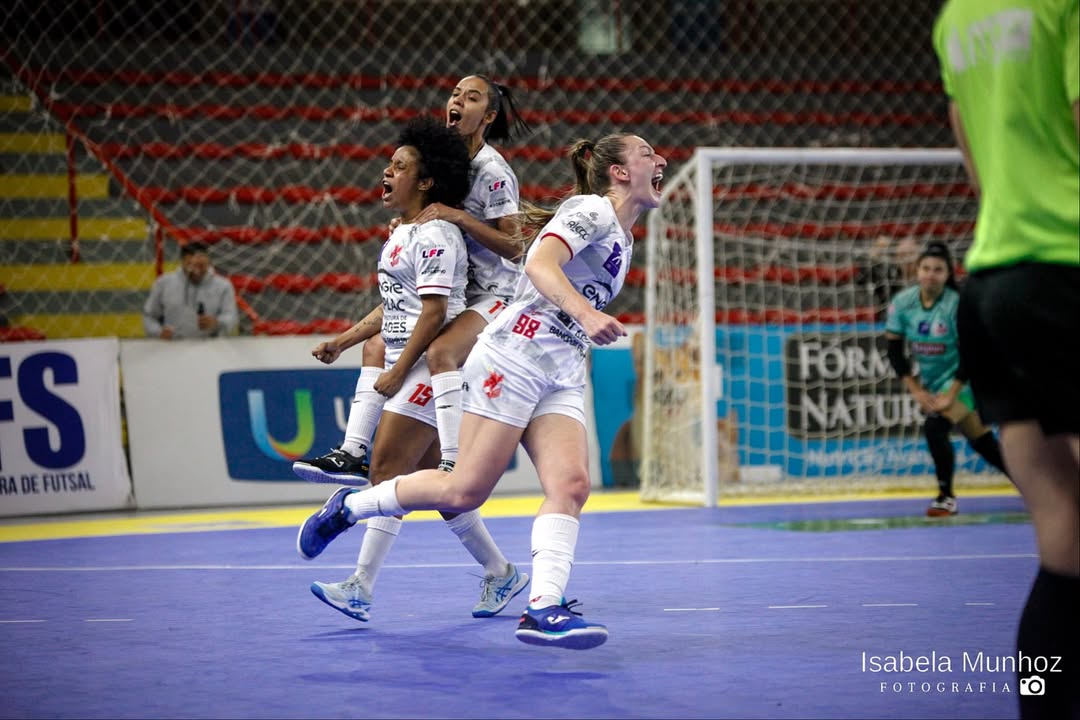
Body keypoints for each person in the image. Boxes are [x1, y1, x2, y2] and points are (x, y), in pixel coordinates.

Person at [297, 132, 668, 650]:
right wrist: (586, 313)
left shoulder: (625, 238)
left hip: (560, 371)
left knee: (572, 486)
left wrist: (579, 324)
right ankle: (350, 508)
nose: (662, 160)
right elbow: (539, 263)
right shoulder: (592, 209)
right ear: (619, 172)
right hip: (514, 357)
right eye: (648, 153)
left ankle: (543, 608)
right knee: (463, 490)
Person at [297, 115, 528, 624]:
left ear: (425, 181)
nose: (387, 171)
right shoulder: (403, 234)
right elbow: (395, 307)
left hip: (429, 363)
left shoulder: (438, 234)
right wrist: (344, 340)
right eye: (389, 163)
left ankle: (361, 582)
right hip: (414, 357)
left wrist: (399, 370)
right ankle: (500, 572)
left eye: (399, 166)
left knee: (388, 473)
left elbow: (433, 312)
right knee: (426, 488)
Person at [933, 2, 1078, 717]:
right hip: (1065, 267)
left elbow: (977, 161)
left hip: (991, 285)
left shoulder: (957, 17)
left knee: (1064, 536)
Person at [292, 74, 530, 485]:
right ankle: (352, 452)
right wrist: (410, 226)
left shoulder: (492, 170)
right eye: (455, 94)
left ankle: (455, 462)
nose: (458, 101)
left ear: (488, 116)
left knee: (440, 353)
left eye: (472, 98)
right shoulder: (443, 159)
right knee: (377, 345)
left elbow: (516, 247)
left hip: (497, 294)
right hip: (459, 287)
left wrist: (458, 217)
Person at [884, 241, 1008, 516]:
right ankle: (1036, 488)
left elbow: (971, 354)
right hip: (934, 381)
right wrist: (916, 391)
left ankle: (945, 496)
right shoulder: (903, 303)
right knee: (983, 443)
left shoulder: (957, 304)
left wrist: (951, 394)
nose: (930, 274)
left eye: (937, 270)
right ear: (916, 270)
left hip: (969, 377)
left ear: (948, 273)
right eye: (925, 268)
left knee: (935, 426)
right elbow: (894, 351)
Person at [141, 241, 238, 339]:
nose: (197, 271)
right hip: (172, 348)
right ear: (182, 262)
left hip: (210, 349)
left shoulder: (223, 286)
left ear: (208, 262)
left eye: (201, 266)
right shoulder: (163, 283)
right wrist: (159, 332)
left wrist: (217, 322)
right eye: (191, 266)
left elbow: (231, 317)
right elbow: (149, 316)